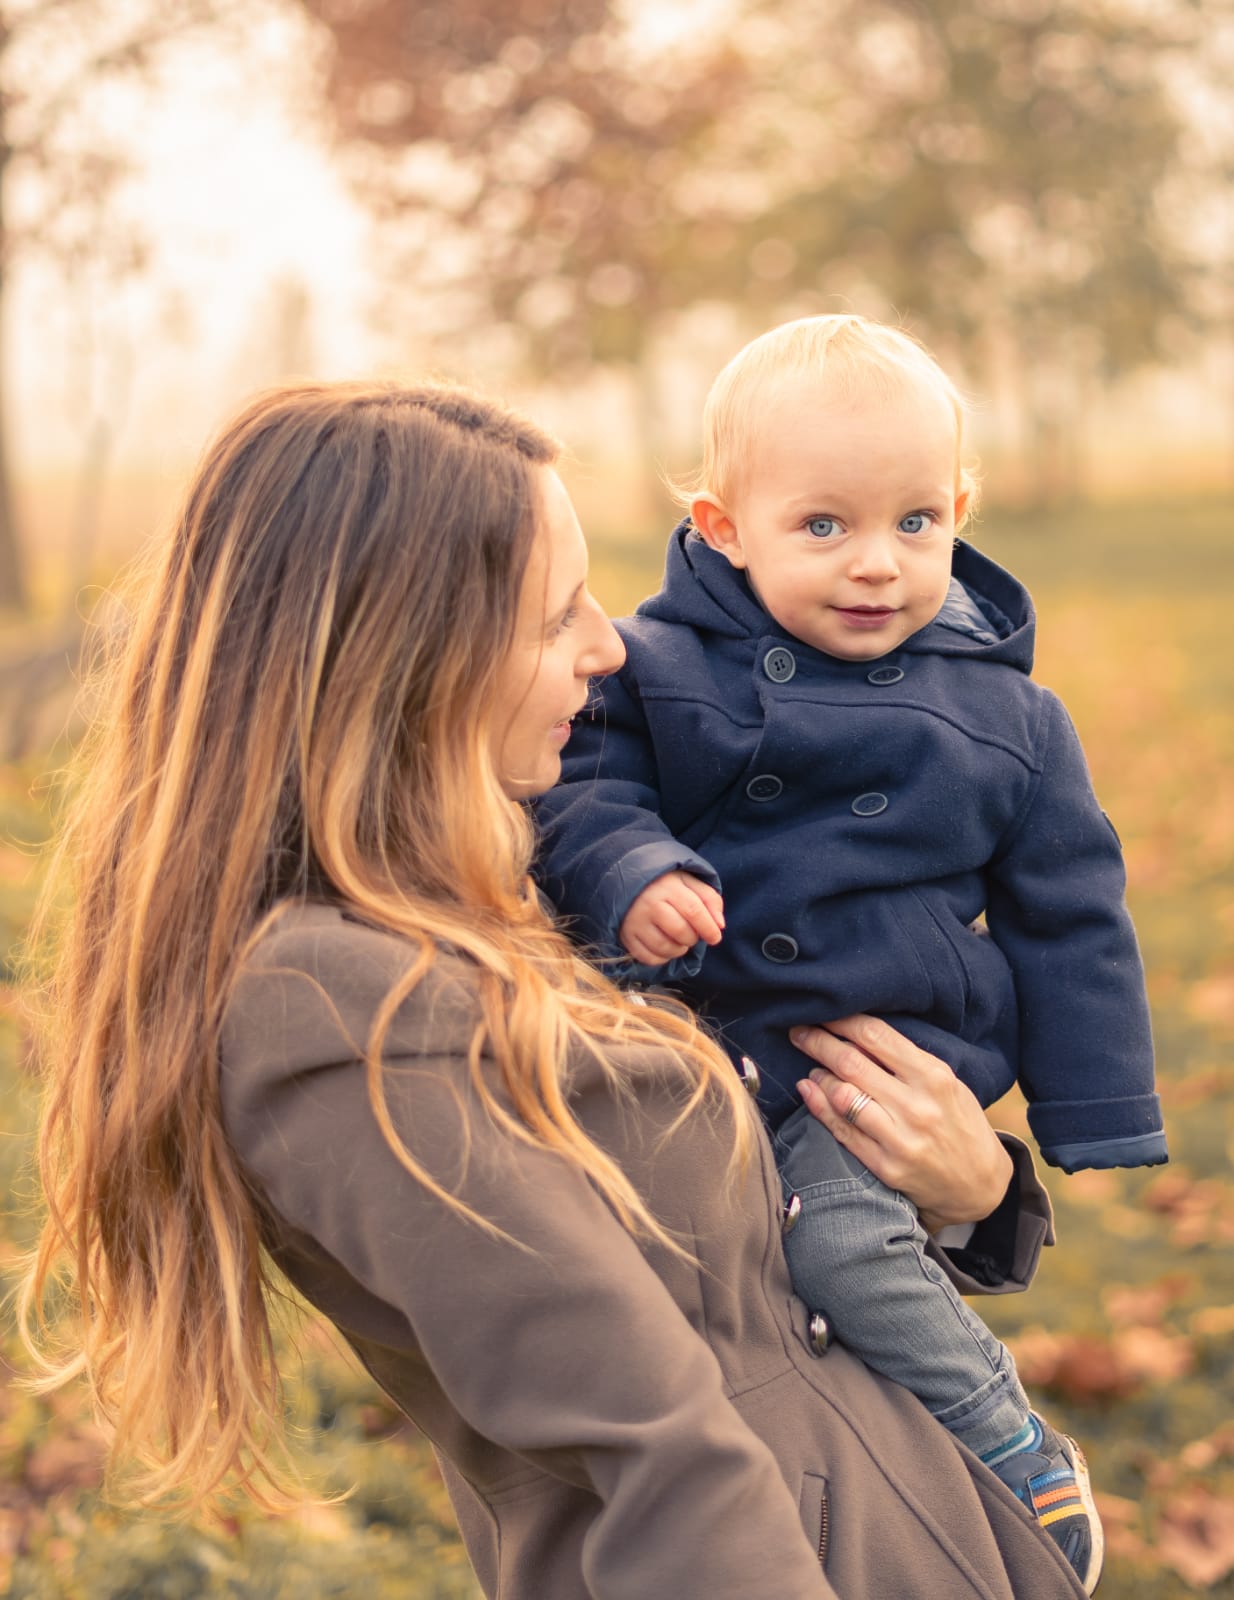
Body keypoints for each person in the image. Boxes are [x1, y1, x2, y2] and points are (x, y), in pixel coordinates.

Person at [21, 379, 1092, 1600]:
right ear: (397, 663)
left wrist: (973, 1193)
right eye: (552, 616)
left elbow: (729, 1274)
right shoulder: (341, 1015)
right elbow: (658, 1454)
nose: (609, 644)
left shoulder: (505, 900)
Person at [536, 315, 1166, 1591]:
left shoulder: (1009, 718)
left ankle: (1007, 1439)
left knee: (838, 1246)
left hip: (870, 1056)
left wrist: (1095, 1106)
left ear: (959, 510)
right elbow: (584, 795)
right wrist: (635, 872)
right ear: (722, 526)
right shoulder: (649, 669)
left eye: (915, 523)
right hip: (701, 1035)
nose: (876, 564)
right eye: (822, 526)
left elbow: (1071, 913)